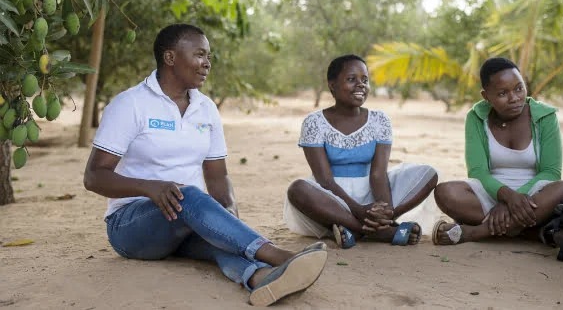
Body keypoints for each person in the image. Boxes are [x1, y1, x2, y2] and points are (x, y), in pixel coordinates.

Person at [83, 24, 328, 306]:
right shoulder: (131, 104)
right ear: (170, 57)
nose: (207, 63)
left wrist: (229, 216)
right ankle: (277, 255)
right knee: (186, 194)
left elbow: (217, 176)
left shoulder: (206, 108)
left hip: (186, 219)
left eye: (208, 56)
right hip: (131, 227)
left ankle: (261, 280)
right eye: (200, 54)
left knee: (219, 240)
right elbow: (94, 177)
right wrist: (151, 188)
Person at [284, 54, 438, 249]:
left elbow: (378, 174)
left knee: (428, 174)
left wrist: (384, 210)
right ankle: (378, 232)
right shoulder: (314, 122)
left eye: (365, 80)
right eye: (351, 79)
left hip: (371, 193)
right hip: (331, 199)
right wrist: (357, 209)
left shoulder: (379, 120)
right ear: (332, 85)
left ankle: (362, 229)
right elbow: (325, 180)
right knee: (297, 189)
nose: (361, 85)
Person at [432, 57, 563, 261]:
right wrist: (506, 196)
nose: (514, 98)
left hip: (534, 195)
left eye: (518, 88)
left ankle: (475, 232)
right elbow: (477, 172)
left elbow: (550, 172)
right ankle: (528, 231)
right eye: (503, 93)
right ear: (486, 96)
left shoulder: (545, 116)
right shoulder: (476, 117)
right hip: (491, 192)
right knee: (445, 192)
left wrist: (512, 202)